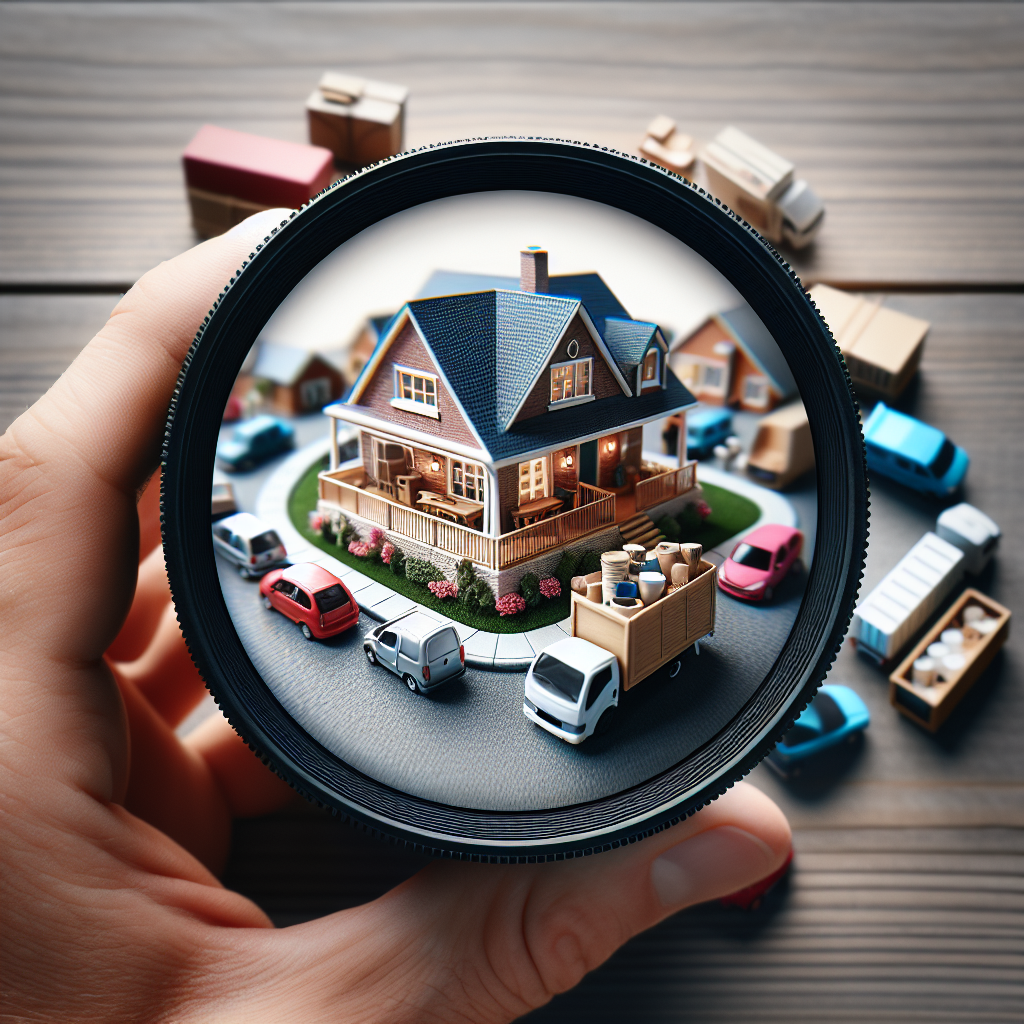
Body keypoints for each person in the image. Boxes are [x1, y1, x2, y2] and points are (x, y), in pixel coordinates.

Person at [0, 211, 791, 1022]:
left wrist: (586, 464)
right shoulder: (444, 373)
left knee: (554, 463)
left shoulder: (580, 363)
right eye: (565, 372)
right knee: (499, 467)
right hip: (496, 486)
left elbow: (597, 427)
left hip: (552, 470)